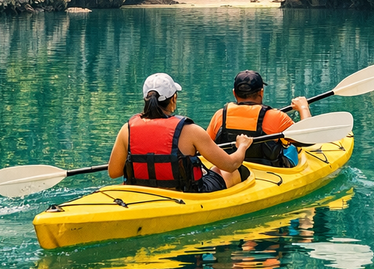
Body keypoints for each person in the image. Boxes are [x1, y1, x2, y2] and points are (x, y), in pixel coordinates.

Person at [108, 73, 253, 193]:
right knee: (226, 171)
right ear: (173, 98)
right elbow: (231, 164)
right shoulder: (191, 131)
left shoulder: (126, 129)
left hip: (141, 191)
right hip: (185, 194)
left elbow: (114, 172)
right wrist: (242, 146)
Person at [205, 70, 311, 168]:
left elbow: (206, 147)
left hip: (231, 170)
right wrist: (303, 107)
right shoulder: (276, 117)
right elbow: (308, 138)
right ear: (261, 92)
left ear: (234, 93)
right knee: (292, 147)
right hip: (270, 171)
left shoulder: (220, 116)